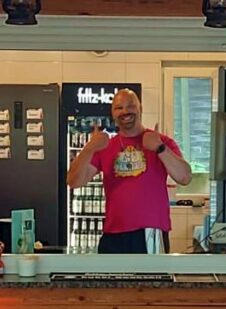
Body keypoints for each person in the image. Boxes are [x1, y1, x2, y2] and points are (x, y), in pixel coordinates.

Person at [66, 89, 192, 254]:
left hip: (150, 232)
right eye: (119, 108)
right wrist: (89, 148)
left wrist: (160, 148)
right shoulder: (105, 146)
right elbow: (74, 181)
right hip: (113, 234)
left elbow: (185, 177)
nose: (125, 111)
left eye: (130, 106)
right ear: (113, 113)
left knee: (152, 273)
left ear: (140, 108)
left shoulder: (161, 142)